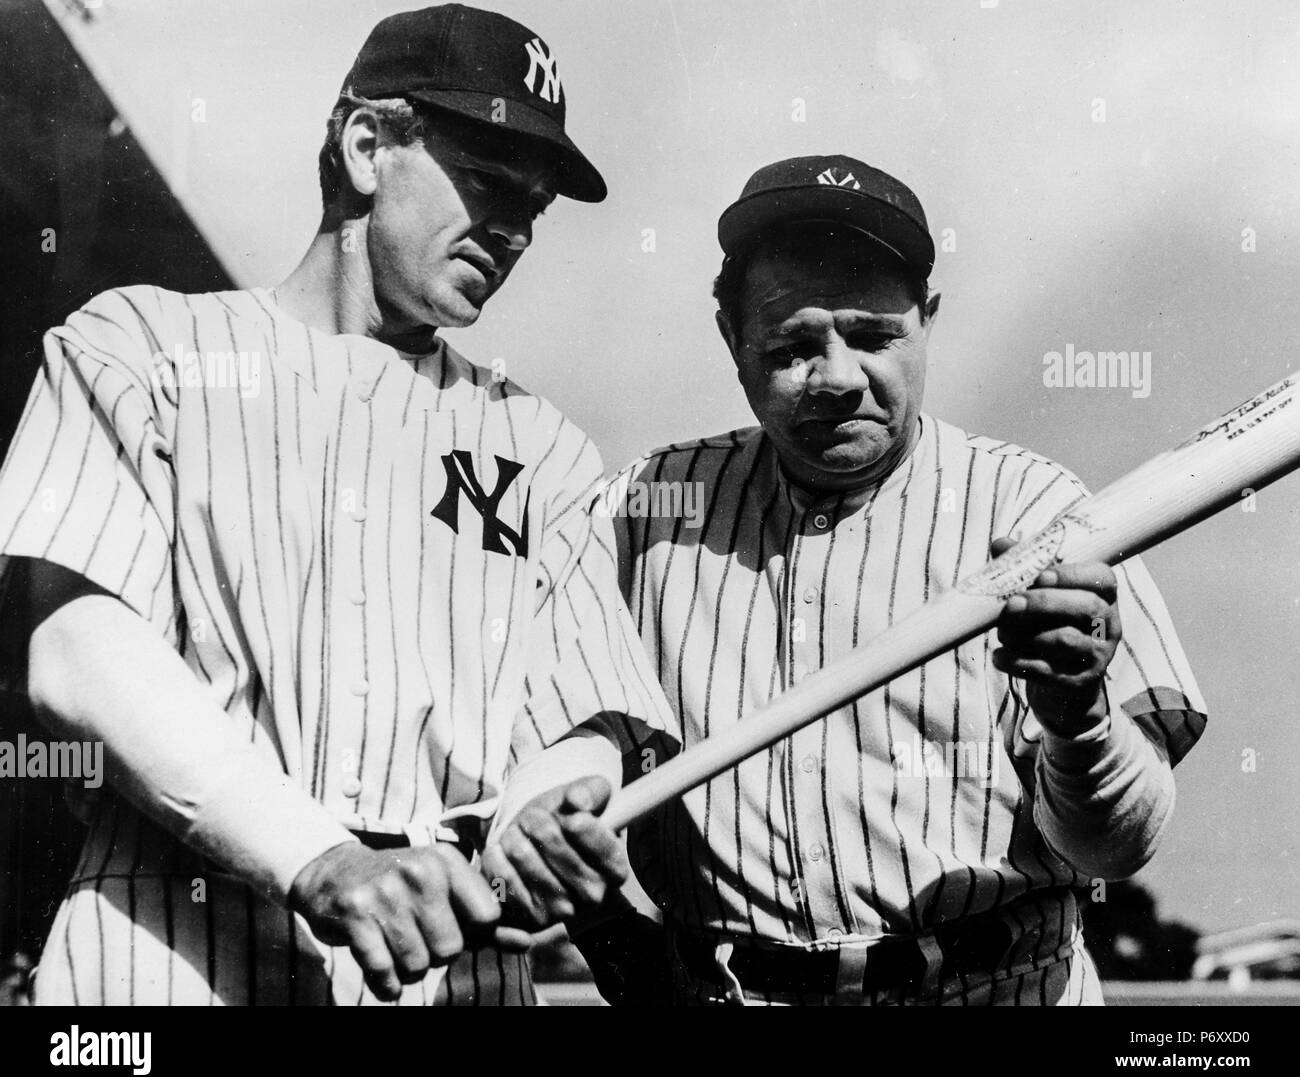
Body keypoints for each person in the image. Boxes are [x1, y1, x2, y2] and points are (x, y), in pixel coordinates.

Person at [0, 4, 675, 1006]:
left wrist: (547, 802)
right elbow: (78, 647)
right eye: (490, 184)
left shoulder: (542, 445)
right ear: (366, 146)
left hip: (452, 961)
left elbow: (593, 717)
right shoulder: (141, 345)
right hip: (172, 953)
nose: (518, 230)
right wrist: (320, 856)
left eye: (535, 207)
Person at [593, 154, 1207, 1005]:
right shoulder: (645, 507)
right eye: (792, 344)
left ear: (929, 320)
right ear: (730, 336)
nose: (839, 378)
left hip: (996, 987)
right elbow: (525, 745)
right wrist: (613, 941)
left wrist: (1081, 715)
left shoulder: (1037, 509)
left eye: (875, 336)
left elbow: (1120, 847)